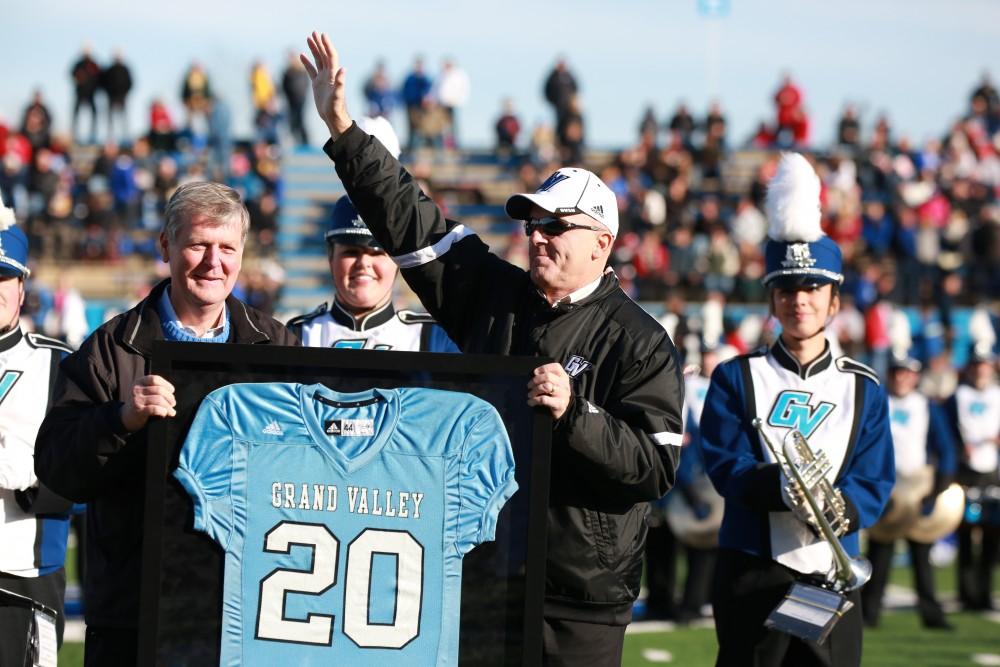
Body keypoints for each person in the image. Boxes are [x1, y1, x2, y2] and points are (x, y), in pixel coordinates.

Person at [300, 32, 684, 665]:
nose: (538, 237)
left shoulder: (639, 339)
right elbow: (409, 216)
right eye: (533, 224)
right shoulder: (493, 294)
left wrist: (576, 415)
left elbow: (655, 466)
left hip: (581, 600)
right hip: (483, 573)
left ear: (603, 242)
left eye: (557, 225)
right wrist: (342, 128)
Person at [34, 181, 298, 666]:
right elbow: (55, 468)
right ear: (165, 246)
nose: (212, 262)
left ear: (242, 255)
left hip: (245, 610)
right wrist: (121, 419)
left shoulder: (278, 346)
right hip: (135, 612)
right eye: (198, 244)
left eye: (226, 248)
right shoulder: (112, 348)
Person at [699, 152, 894, 666]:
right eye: (785, 288)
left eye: (812, 287)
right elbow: (724, 464)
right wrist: (782, 487)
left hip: (831, 568)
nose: (799, 299)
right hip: (752, 567)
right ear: (771, 299)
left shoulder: (864, 387)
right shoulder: (735, 376)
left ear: (834, 300)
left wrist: (838, 508)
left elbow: (874, 479)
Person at [0, 197, 75, 665]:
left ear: (23, 286)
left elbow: (86, 472)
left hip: (22, 580)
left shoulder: (58, 364)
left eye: (3, 277)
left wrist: (27, 477)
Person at [288, 192, 457, 351]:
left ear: (398, 261)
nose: (363, 263)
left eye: (377, 253)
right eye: (351, 252)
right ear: (331, 256)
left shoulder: (435, 338)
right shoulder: (296, 336)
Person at [861, 353, 957, 629]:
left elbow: (945, 447)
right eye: (896, 372)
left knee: (922, 554)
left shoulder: (926, 406)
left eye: (907, 373)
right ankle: (869, 614)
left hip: (919, 488)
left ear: (915, 377)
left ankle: (932, 615)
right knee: (879, 554)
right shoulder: (878, 402)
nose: (901, 378)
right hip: (886, 488)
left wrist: (940, 486)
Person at [945, 342, 1000, 611]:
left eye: (985, 365)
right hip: (965, 471)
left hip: (993, 472)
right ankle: (965, 593)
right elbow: (947, 432)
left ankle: (985, 594)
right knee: (965, 534)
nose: (980, 370)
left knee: (991, 536)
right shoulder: (958, 396)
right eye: (976, 365)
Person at [70, 45, 101, 144]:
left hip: (91, 94)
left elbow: (99, 76)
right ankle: (75, 135)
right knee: (76, 114)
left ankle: (93, 135)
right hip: (79, 94)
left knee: (94, 114)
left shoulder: (93, 64)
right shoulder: (78, 64)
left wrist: (94, 87)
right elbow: (72, 74)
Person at [101, 50, 133, 142]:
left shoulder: (125, 69)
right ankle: (110, 137)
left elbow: (130, 83)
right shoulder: (109, 69)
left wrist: (125, 93)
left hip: (122, 96)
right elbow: (103, 82)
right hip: (111, 97)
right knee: (110, 118)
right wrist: (108, 92)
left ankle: (125, 136)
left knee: (124, 117)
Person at [281, 51, 311, 145]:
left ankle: (305, 142)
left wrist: (302, 95)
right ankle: (295, 141)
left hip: (300, 100)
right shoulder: (287, 72)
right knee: (292, 121)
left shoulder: (302, 71)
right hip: (291, 101)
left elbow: (305, 85)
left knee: (300, 120)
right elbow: (284, 86)